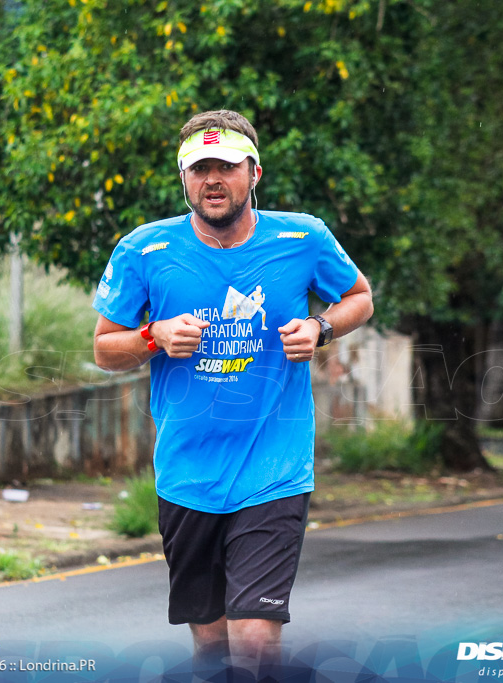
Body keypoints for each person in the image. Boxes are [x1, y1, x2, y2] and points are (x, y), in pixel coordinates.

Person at [91, 110, 373, 674]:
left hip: (274, 467)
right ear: (184, 179)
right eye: (200, 168)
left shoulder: (302, 237)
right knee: (213, 648)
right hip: (187, 474)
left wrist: (320, 328)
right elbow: (104, 349)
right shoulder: (143, 250)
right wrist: (153, 335)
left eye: (226, 166)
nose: (212, 179)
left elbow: (359, 297)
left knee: (255, 641)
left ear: (255, 173)